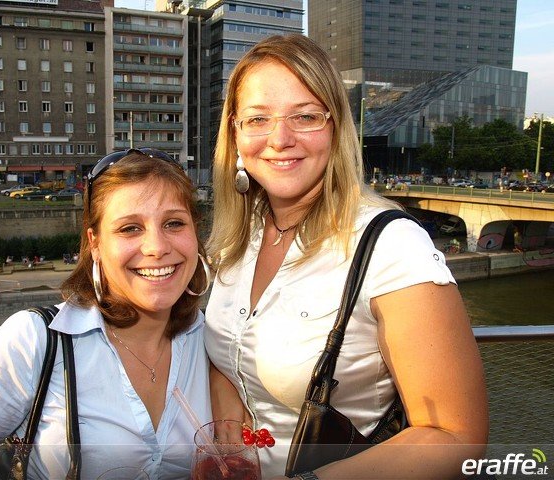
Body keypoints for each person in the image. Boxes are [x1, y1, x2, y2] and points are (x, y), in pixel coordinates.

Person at [205, 34, 488, 480]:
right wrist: (226, 408)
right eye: (258, 119)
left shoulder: (392, 246)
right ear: (235, 134)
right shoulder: (238, 238)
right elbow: (230, 347)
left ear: (335, 127)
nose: (280, 139)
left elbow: (456, 436)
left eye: (305, 116)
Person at [0, 149, 212, 479]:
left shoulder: (214, 343)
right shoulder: (33, 341)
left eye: (174, 223)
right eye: (130, 228)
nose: (157, 247)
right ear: (95, 243)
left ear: (195, 233)